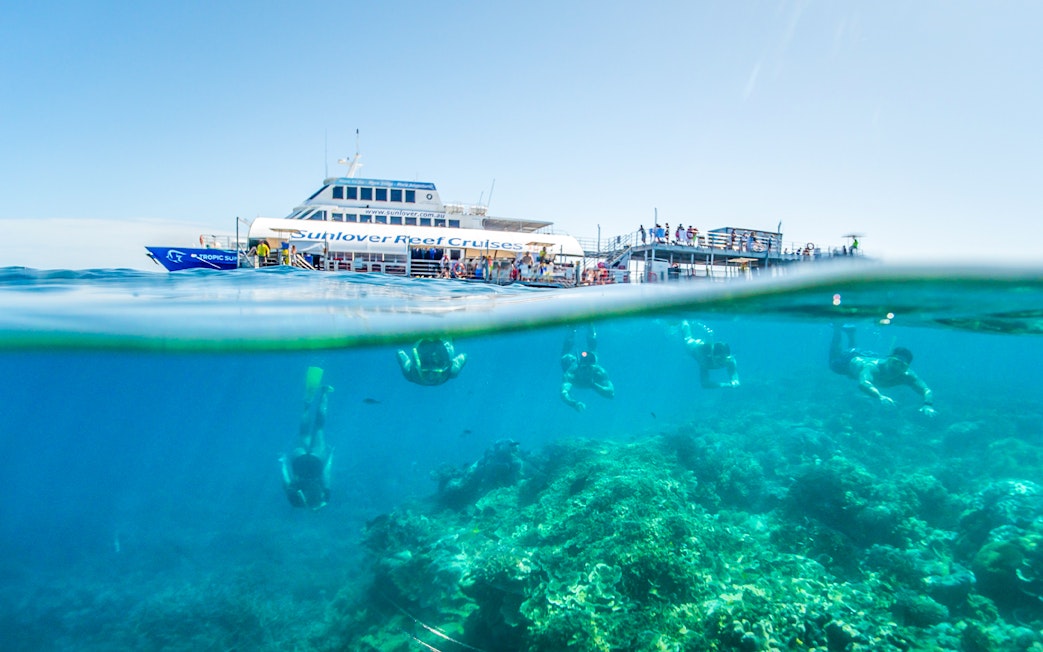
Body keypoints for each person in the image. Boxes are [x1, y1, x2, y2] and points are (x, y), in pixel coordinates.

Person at [829, 324, 935, 416]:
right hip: (850, 360)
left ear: (906, 368)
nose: (896, 368)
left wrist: (928, 404)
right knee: (833, 363)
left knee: (852, 352)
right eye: (895, 362)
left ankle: (851, 333)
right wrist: (880, 396)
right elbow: (863, 383)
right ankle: (837, 329)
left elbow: (926, 390)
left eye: (902, 366)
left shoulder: (907, 376)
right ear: (888, 360)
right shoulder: (872, 367)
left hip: (865, 357)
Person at [280, 366, 334, 510]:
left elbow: (326, 474)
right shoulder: (293, 498)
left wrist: (331, 456)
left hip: (316, 463)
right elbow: (286, 479)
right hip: (299, 462)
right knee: (304, 433)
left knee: (319, 428)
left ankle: (324, 393)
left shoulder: (325, 497)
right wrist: (283, 461)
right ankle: (307, 403)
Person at [560, 326, 615, 412]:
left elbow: (611, 394)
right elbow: (563, 394)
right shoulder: (570, 374)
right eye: (584, 368)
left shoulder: (599, 372)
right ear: (579, 367)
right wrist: (575, 404)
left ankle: (590, 324)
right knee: (565, 356)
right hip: (570, 364)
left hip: (587, 368)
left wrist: (593, 385)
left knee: (593, 351)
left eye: (590, 367)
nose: (588, 371)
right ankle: (572, 328)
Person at [681, 321, 740, 389]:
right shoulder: (705, 362)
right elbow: (705, 384)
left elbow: (733, 374)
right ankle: (684, 321)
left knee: (703, 341)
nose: (723, 361)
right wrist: (726, 385)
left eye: (725, 358)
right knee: (688, 340)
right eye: (720, 359)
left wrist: (735, 380)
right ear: (713, 357)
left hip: (705, 348)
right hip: (693, 348)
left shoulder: (730, 360)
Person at [397, 337, 468, 386]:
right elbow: (464, 356)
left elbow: (399, 352)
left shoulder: (410, 374)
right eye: (425, 370)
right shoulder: (452, 372)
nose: (430, 377)